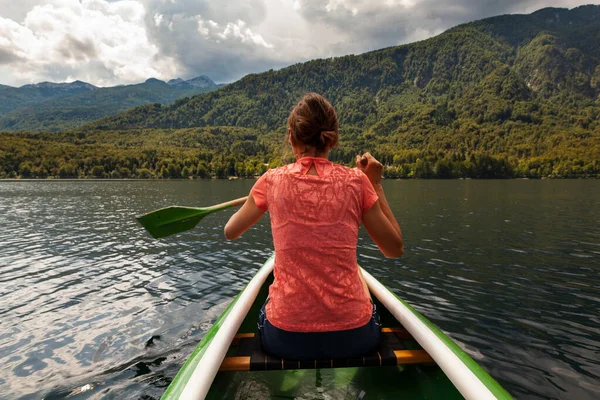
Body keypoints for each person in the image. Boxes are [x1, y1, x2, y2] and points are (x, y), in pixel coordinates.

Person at [224, 92, 403, 360]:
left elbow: (231, 231)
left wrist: (260, 193)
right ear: (332, 137)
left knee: (267, 308)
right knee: (358, 278)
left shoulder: (271, 180)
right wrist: (375, 183)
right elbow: (394, 249)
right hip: (354, 339)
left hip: (285, 339)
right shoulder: (357, 182)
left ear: (291, 136)